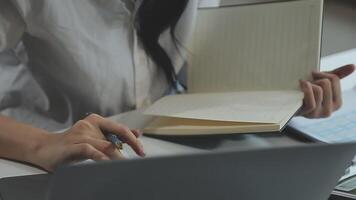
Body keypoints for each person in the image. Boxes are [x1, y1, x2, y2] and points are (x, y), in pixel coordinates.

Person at [0, 0, 354, 172]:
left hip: (157, 147)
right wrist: (42, 145)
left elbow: (202, 81)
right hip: (44, 150)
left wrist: (284, 101)